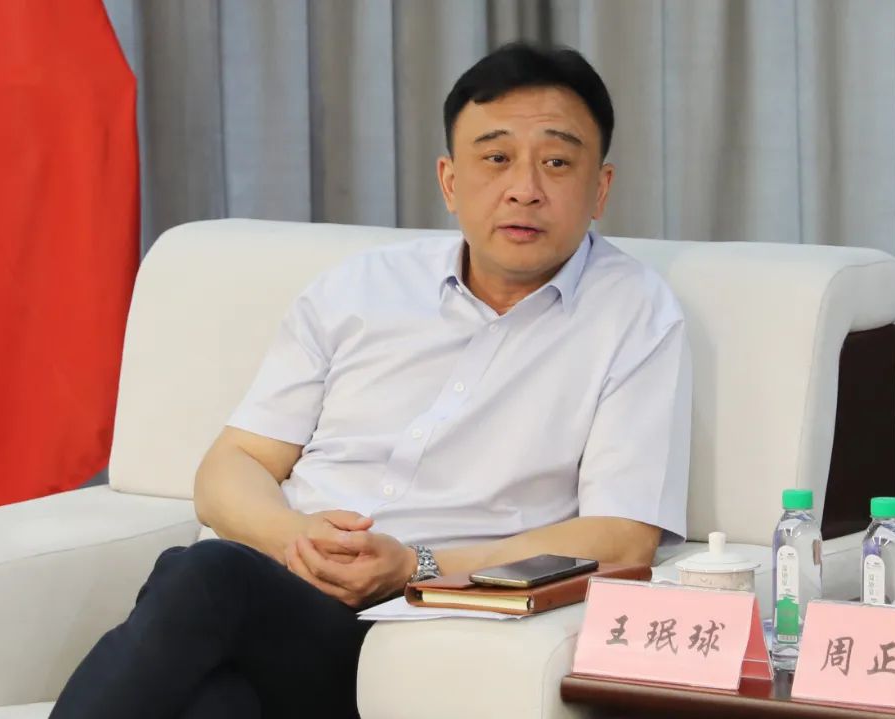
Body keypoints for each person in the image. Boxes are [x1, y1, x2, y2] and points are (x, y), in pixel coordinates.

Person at [51, 41, 691, 719]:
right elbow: (231, 465)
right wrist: (295, 539)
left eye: (556, 162)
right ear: (450, 181)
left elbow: (621, 537)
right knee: (216, 700)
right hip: (274, 592)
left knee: (204, 578)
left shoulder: (634, 313)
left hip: (418, 627)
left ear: (600, 188)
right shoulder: (361, 287)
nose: (524, 188)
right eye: (495, 158)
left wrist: (414, 563)